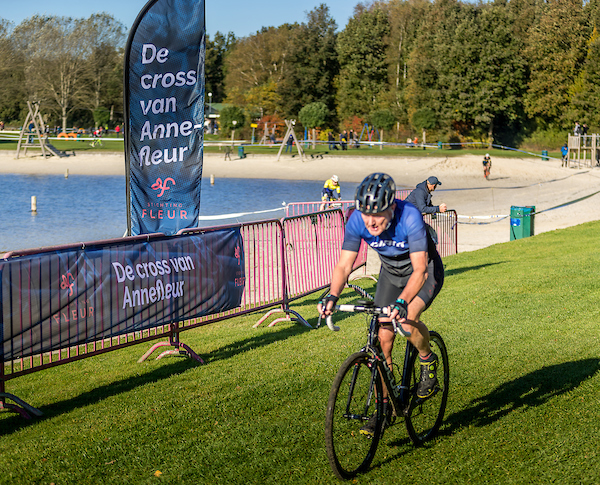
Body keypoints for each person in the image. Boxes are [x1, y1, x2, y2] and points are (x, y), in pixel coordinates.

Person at [318, 173, 444, 436]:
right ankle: (384, 407)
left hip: (424, 271)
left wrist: (401, 302)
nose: (371, 222)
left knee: (407, 317)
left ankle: (427, 359)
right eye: (366, 214)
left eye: (378, 214)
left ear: (392, 207)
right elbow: (344, 265)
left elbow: (420, 269)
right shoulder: (357, 220)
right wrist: (332, 296)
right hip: (391, 273)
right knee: (382, 339)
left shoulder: (409, 216)